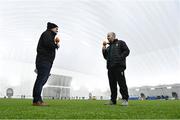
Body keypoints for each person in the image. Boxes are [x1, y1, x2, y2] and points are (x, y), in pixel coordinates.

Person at [32, 22, 60, 106]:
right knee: (40, 80)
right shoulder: (47, 34)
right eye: (56, 28)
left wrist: (54, 43)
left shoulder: (49, 35)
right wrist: (56, 45)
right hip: (44, 61)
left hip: (46, 61)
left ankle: (37, 99)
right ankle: (37, 100)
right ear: (52, 28)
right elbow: (48, 44)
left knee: (42, 80)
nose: (57, 30)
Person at [102, 32, 130, 106]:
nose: (107, 37)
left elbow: (127, 51)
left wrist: (120, 58)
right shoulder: (108, 47)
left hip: (119, 67)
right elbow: (105, 57)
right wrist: (104, 47)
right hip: (110, 68)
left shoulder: (120, 43)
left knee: (122, 83)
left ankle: (125, 99)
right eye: (107, 36)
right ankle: (113, 100)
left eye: (109, 36)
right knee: (112, 85)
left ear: (113, 36)